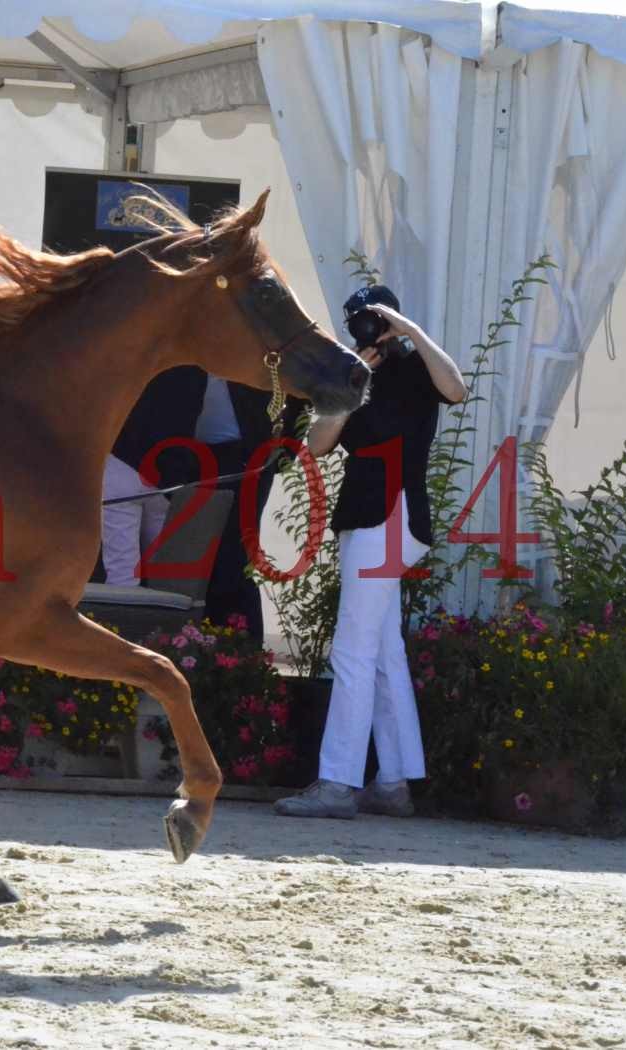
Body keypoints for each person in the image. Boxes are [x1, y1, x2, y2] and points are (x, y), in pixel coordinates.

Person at [274, 285, 467, 820]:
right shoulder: (353, 376)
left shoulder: (416, 369)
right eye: (361, 321)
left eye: (375, 321)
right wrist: (350, 379)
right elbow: (317, 444)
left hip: (391, 516)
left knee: (352, 652)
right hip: (366, 518)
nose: (369, 331)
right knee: (381, 652)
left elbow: (457, 389)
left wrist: (410, 332)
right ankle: (394, 781)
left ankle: (337, 782)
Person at [101, 367, 303, 637]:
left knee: (229, 561)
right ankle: (165, 645)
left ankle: (229, 650)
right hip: (170, 463)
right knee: (168, 568)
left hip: (236, 460)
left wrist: (283, 452)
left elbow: (299, 383)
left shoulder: (252, 337)